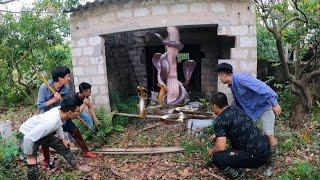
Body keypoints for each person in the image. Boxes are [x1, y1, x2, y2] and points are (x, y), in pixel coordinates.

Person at [216, 63, 281, 174]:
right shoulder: (232, 86)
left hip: (263, 108)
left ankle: (271, 165)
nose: (219, 78)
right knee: (248, 134)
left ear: (223, 75)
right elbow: (237, 103)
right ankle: (249, 158)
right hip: (251, 112)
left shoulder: (241, 79)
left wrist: (274, 103)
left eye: (219, 75)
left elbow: (261, 87)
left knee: (269, 135)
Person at [36, 66, 97, 167]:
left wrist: (74, 111)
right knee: (45, 139)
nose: (69, 78)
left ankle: (86, 151)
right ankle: (46, 160)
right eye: (68, 76)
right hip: (49, 119)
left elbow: (69, 102)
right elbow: (39, 105)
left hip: (63, 116)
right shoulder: (44, 87)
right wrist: (53, 100)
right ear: (60, 78)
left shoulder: (66, 89)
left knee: (75, 131)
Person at [20, 94, 92, 180]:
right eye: (77, 111)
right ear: (69, 113)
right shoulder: (50, 122)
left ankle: (76, 165)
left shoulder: (59, 112)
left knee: (63, 146)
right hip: (29, 136)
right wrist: (29, 155)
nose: (79, 112)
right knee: (32, 163)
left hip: (42, 133)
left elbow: (58, 124)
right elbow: (28, 138)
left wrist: (63, 138)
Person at [208, 92, 269, 179]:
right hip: (264, 150)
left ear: (214, 106)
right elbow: (234, 125)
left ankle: (240, 177)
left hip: (255, 157)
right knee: (231, 147)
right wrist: (217, 134)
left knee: (217, 157)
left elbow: (221, 147)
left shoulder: (220, 120)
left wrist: (211, 150)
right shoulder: (236, 109)